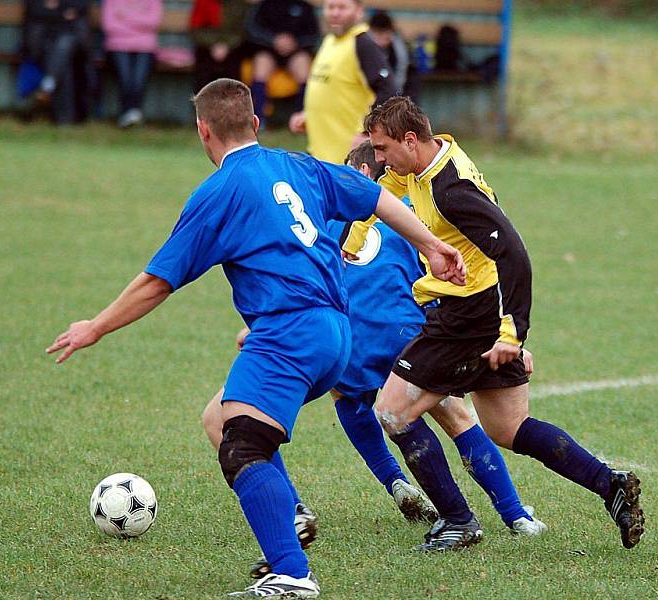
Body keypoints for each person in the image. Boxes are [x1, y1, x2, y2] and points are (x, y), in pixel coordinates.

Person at [46, 79, 465, 599]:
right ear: (256, 125)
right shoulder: (300, 166)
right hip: (337, 333)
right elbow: (377, 196)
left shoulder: (220, 191)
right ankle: (288, 519)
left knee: (243, 443)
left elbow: (157, 282)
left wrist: (95, 326)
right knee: (220, 419)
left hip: (289, 330)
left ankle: (291, 571)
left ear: (203, 131)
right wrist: (432, 245)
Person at [201, 142, 546, 580]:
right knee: (453, 412)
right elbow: (458, 277)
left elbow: (315, 273)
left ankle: (369, 489)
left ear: (363, 169)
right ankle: (516, 514)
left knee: (345, 394)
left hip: (345, 335)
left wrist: (268, 327)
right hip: (411, 332)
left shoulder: (328, 212)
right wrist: (498, 335)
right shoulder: (415, 210)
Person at [343, 96, 646, 551]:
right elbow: (380, 191)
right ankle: (611, 484)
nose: (379, 159)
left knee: (392, 412)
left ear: (410, 140)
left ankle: (458, 520)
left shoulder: (450, 190)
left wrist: (512, 333)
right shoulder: (424, 162)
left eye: (383, 148)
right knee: (509, 428)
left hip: (469, 315)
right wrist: (358, 235)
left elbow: (514, 256)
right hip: (473, 310)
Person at [288, 0, 397, 164]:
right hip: (322, 156)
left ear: (359, 11)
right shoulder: (329, 41)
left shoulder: (362, 43)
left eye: (342, 7)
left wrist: (368, 133)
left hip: (349, 161)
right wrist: (309, 115)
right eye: (331, 7)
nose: (335, 13)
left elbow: (388, 90)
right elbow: (332, 88)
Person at [244, 0, 320, 122]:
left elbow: (314, 34)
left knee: (304, 68)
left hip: (296, 51)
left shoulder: (304, 6)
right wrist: (273, 40)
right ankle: (258, 119)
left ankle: (303, 118)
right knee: (260, 67)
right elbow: (252, 29)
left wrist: (294, 43)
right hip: (269, 49)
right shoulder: (264, 5)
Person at [23, 0, 93, 125]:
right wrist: (62, 13)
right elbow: (35, 10)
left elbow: (81, 7)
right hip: (42, 43)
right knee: (62, 63)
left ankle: (49, 85)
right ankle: (64, 118)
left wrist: (54, 9)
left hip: (75, 43)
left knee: (64, 46)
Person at [101, 0, 163, 128]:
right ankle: (131, 113)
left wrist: (125, 18)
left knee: (138, 80)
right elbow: (109, 26)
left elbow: (154, 22)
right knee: (126, 78)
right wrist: (139, 23)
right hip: (117, 46)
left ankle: (130, 113)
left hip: (145, 47)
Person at [189, 0, 249, 93]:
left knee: (233, 71)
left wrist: (226, 46)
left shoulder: (239, 4)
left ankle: (233, 104)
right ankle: (202, 104)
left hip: (232, 48)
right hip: (208, 47)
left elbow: (243, 32)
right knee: (204, 72)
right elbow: (195, 30)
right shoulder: (203, 2)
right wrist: (213, 45)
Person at [367, 10, 408, 95]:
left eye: (386, 34)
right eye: (378, 34)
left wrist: (395, 93)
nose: (383, 38)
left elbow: (401, 69)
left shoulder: (397, 46)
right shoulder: (364, 44)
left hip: (390, 91)